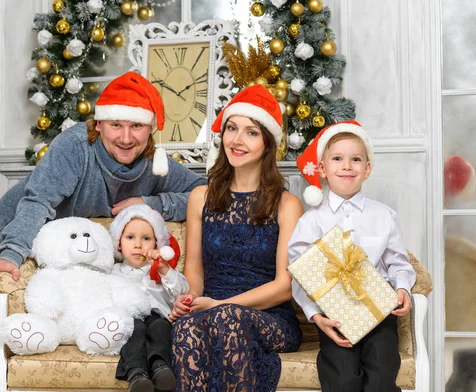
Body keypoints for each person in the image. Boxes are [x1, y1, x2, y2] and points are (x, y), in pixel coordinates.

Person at [0, 72, 206, 288]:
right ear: (98, 124)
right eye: (116, 125)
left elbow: (206, 194)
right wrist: (11, 253)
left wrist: (150, 204)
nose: (126, 138)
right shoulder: (75, 147)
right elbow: (39, 201)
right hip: (15, 232)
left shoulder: (155, 163)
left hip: (77, 250)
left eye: (136, 126)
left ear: (150, 129)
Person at [169, 85, 304, 391]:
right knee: (186, 328)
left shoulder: (287, 205)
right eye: (232, 128)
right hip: (212, 308)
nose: (237, 140)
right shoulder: (199, 198)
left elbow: (285, 287)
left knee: (227, 319)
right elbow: (195, 270)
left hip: (269, 319)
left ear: (267, 143)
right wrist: (189, 301)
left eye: (251, 132)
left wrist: (221, 305)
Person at [287, 120, 417, 392]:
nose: (347, 166)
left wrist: (403, 287)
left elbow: (398, 262)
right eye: (337, 159)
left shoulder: (384, 216)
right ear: (322, 168)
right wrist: (316, 316)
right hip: (335, 317)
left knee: (382, 373)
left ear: (367, 169)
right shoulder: (310, 221)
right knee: (342, 378)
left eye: (356, 159)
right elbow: (299, 274)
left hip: (379, 313)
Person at [109, 203, 189, 392]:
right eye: (130, 237)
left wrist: (163, 268)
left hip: (158, 318)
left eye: (146, 238)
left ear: (156, 244)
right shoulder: (113, 271)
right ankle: (137, 374)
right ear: (119, 243)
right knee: (132, 330)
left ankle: (160, 367)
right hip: (130, 319)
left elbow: (181, 291)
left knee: (160, 326)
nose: (138, 245)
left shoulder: (160, 270)